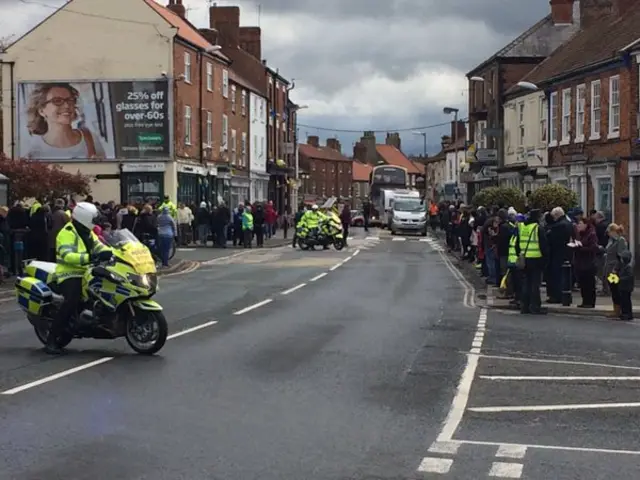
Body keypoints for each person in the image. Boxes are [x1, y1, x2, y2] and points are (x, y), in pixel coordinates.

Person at [49, 202, 113, 354]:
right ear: (85, 217)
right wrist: (90, 257)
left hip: (86, 271)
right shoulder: (67, 233)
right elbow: (67, 255)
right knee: (71, 300)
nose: (95, 222)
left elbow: (99, 246)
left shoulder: (86, 232)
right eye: (93, 218)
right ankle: (51, 340)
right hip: (69, 273)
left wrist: (112, 252)